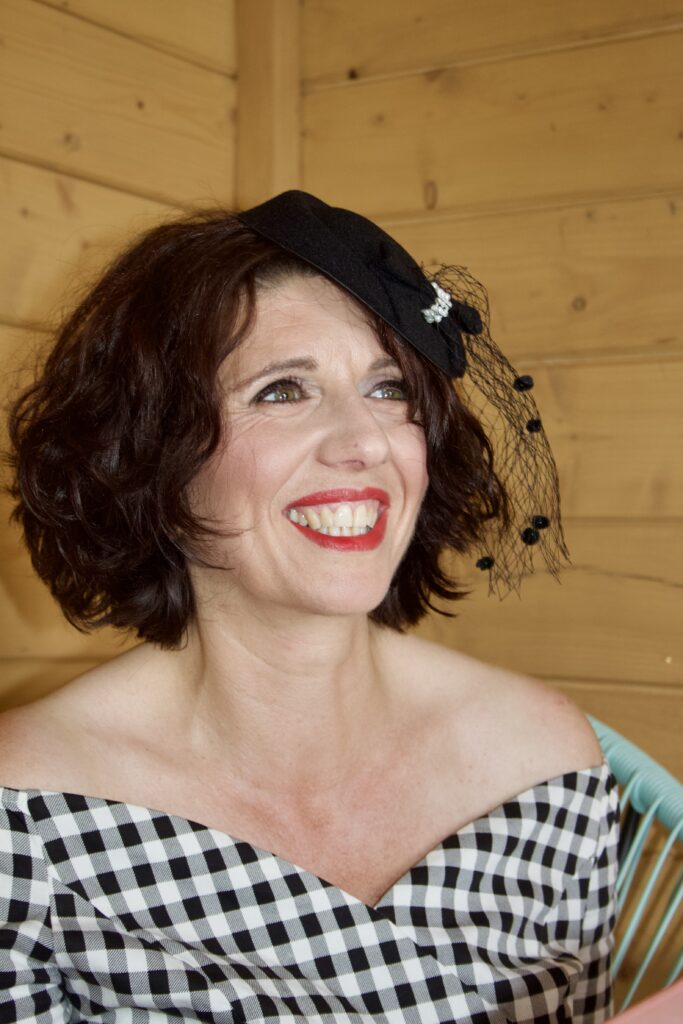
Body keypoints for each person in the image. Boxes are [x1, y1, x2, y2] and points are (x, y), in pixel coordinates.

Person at [0, 191, 618, 1023]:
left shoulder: (543, 763)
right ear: (151, 455)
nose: (365, 442)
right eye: (282, 390)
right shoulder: (25, 810)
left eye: (388, 388)